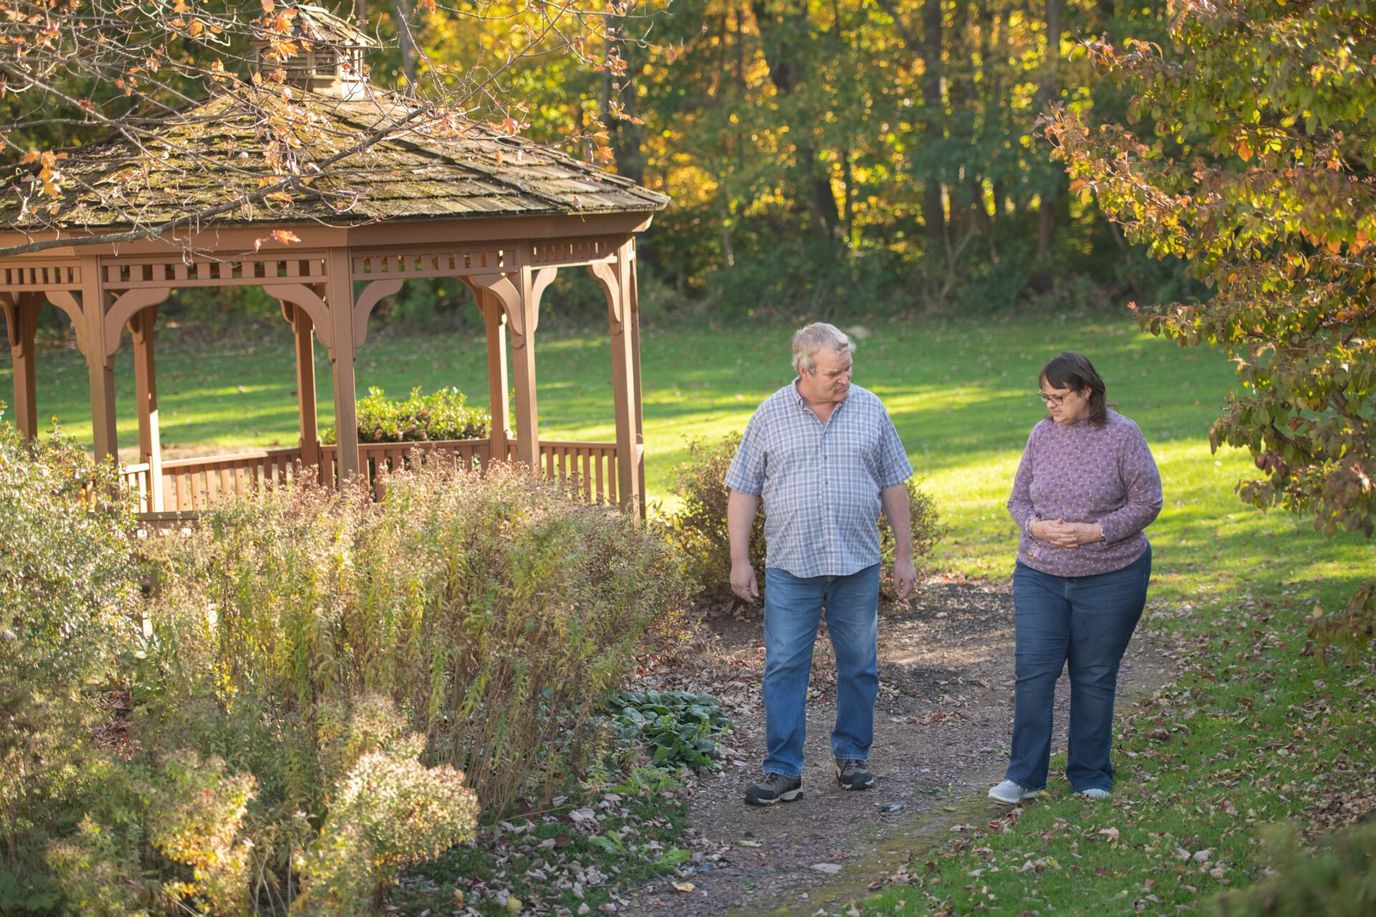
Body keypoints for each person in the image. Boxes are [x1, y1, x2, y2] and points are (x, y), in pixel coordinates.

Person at [725, 322, 917, 807]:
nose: (844, 379)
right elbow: (743, 489)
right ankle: (783, 770)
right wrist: (739, 559)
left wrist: (905, 553)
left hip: (857, 563)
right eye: (834, 372)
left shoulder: (870, 408)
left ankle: (852, 756)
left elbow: (894, 482)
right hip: (793, 565)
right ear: (803, 369)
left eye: (848, 368)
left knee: (859, 665)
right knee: (785, 665)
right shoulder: (770, 415)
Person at [989, 351, 1163, 804]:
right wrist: (1035, 527)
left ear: (1086, 391)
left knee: (1094, 674)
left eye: (1059, 396)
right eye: (1044, 397)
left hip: (1111, 575)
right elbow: (1018, 501)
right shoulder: (1041, 435)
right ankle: (1024, 776)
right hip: (1040, 573)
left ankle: (1089, 774)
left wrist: (1096, 532)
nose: (1051, 406)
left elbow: (1148, 502)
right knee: (1033, 673)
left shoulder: (1122, 435)